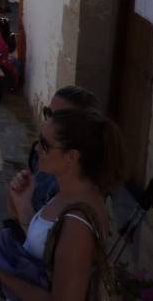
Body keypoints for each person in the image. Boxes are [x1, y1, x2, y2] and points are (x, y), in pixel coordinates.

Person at [0, 108, 125, 301]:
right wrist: (24, 205)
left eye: (45, 145)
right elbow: (48, 245)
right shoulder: (68, 193)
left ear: (71, 157)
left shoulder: (78, 224)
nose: (37, 149)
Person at [10, 86, 101, 215]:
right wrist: (17, 193)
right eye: (48, 113)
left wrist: (23, 206)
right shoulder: (45, 156)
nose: (48, 121)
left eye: (58, 118)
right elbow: (13, 210)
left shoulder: (77, 191)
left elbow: (41, 227)